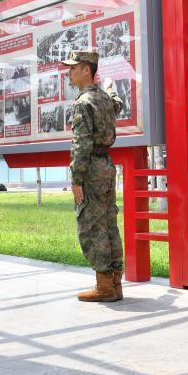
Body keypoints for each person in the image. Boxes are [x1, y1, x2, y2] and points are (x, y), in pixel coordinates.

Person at [61, 50, 125, 303]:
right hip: (107, 165)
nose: (69, 72)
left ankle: (104, 286)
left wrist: (76, 179)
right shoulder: (104, 98)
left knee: (91, 226)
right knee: (109, 223)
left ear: (86, 70)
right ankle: (115, 282)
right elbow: (116, 104)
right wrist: (110, 89)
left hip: (91, 169)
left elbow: (81, 144)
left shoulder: (83, 102)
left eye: (73, 68)